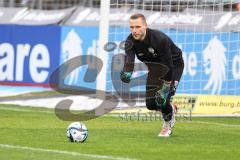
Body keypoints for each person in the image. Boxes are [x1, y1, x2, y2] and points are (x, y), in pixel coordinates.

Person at [120, 13, 184, 137]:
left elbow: (168, 66)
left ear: (145, 26)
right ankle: (171, 108)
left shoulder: (160, 39)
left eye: (138, 27)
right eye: (132, 27)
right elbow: (129, 61)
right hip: (155, 69)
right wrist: (127, 73)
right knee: (150, 104)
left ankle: (167, 125)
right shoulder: (129, 41)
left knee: (162, 99)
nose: (134, 30)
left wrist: (165, 88)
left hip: (173, 66)